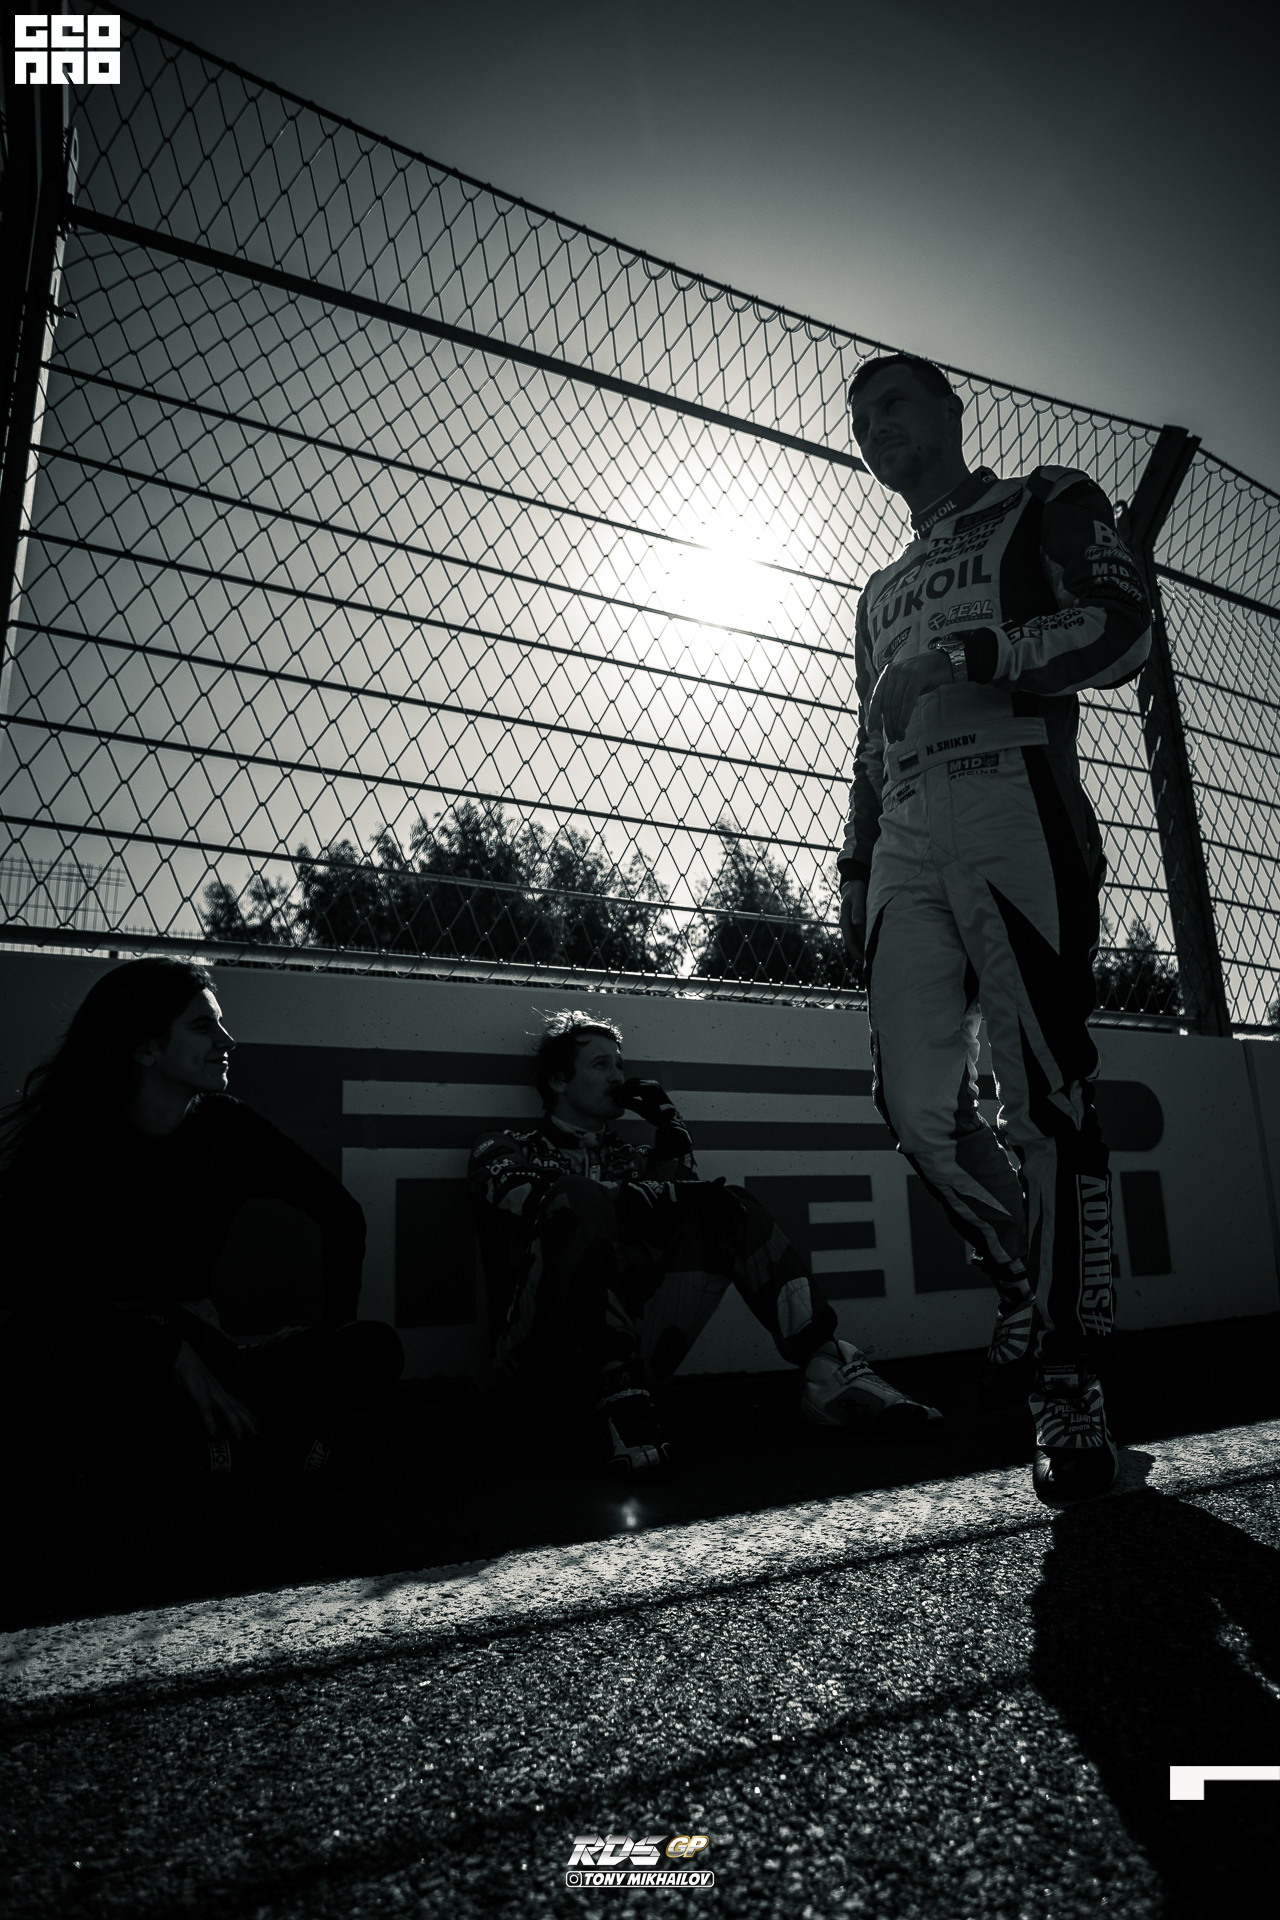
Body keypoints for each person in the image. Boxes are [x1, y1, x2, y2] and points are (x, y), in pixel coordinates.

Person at [838, 352, 1151, 1505]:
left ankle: (1067, 1378)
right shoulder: (875, 590)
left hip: (1014, 800)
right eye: (859, 418)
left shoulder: (1042, 498)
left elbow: (1122, 633)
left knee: (1043, 1099)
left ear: (949, 412)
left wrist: (972, 653)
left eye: (894, 404)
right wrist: (853, 864)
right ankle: (1037, 1295)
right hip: (905, 832)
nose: (874, 427)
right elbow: (869, 740)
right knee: (914, 1107)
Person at [468, 1010, 941, 1475]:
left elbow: (689, 1212)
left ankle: (828, 1371)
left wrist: (671, 1131)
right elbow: (525, 1197)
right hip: (537, 1364)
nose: (617, 1076)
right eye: (600, 1064)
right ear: (558, 1080)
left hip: (639, 1358)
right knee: (574, 1195)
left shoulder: (637, 1159)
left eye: (620, 1064)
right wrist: (645, 1196)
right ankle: (617, 1396)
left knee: (729, 1206)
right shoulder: (506, 1147)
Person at [0, 957, 403, 1485]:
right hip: (105, 1356)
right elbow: (27, 1288)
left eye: (220, 1023)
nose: (226, 1040)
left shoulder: (226, 1130)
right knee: (25, 1360)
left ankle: (187, 1458)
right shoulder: (71, 1141)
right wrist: (161, 1349)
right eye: (202, 1026)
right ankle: (239, 1456)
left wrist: (332, 1331)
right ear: (146, 1048)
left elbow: (341, 1213)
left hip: (210, 1360)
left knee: (372, 1349)